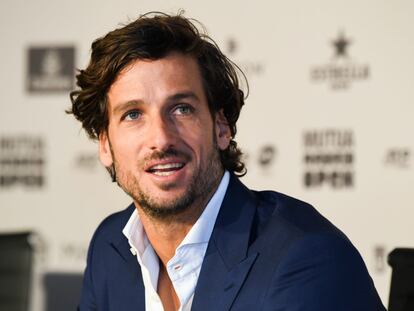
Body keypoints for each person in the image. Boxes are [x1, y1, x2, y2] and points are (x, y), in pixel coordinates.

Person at [68, 12, 386, 311]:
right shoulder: (110, 246)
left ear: (221, 127)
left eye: (181, 109)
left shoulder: (306, 259)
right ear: (105, 145)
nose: (161, 139)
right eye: (133, 114)